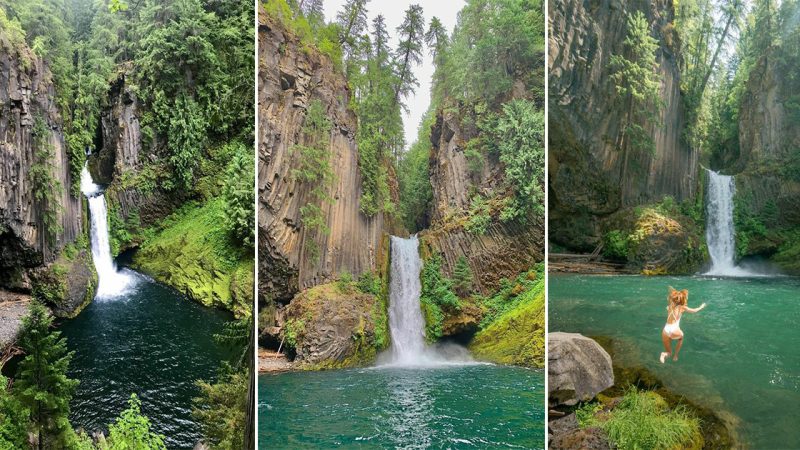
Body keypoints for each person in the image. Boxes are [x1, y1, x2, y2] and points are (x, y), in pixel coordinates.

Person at [660, 287, 706, 363]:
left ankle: (663, 354)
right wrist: (701, 306)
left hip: (665, 330)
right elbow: (694, 311)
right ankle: (676, 355)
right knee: (681, 337)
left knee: (668, 352)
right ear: (682, 300)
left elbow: (668, 306)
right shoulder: (682, 307)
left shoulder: (670, 306)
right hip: (674, 330)